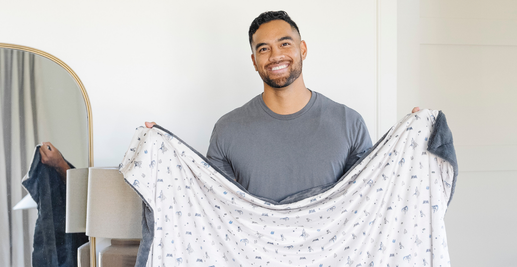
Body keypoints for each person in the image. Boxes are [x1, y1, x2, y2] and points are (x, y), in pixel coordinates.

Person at [146, 10, 419, 201]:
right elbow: (209, 204)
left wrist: (412, 140)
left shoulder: (349, 123)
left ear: (302, 50)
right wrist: (163, 150)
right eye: (263, 49)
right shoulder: (227, 129)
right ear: (254, 61)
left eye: (284, 44)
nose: (275, 55)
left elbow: (371, 196)